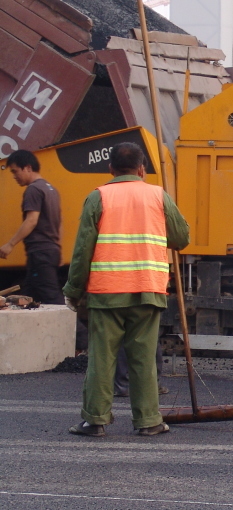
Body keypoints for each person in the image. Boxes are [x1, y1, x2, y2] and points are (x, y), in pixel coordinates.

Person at [63, 142, 189, 437]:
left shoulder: (98, 197)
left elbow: (83, 249)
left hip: (106, 291)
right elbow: (181, 237)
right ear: (142, 169)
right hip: (147, 289)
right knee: (143, 357)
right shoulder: (158, 195)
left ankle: (95, 421)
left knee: (102, 358)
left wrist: (73, 288)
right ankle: (148, 421)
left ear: (110, 169)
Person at [1, 150, 64, 304]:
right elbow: (59, 222)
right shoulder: (50, 189)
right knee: (27, 298)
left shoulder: (33, 190)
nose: (14, 176)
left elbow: (31, 221)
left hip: (40, 253)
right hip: (48, 251)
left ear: (28, 167)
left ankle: (78, 329)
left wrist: (10, 244)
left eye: (15, 171)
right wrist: (58, 247)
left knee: (53, 299)